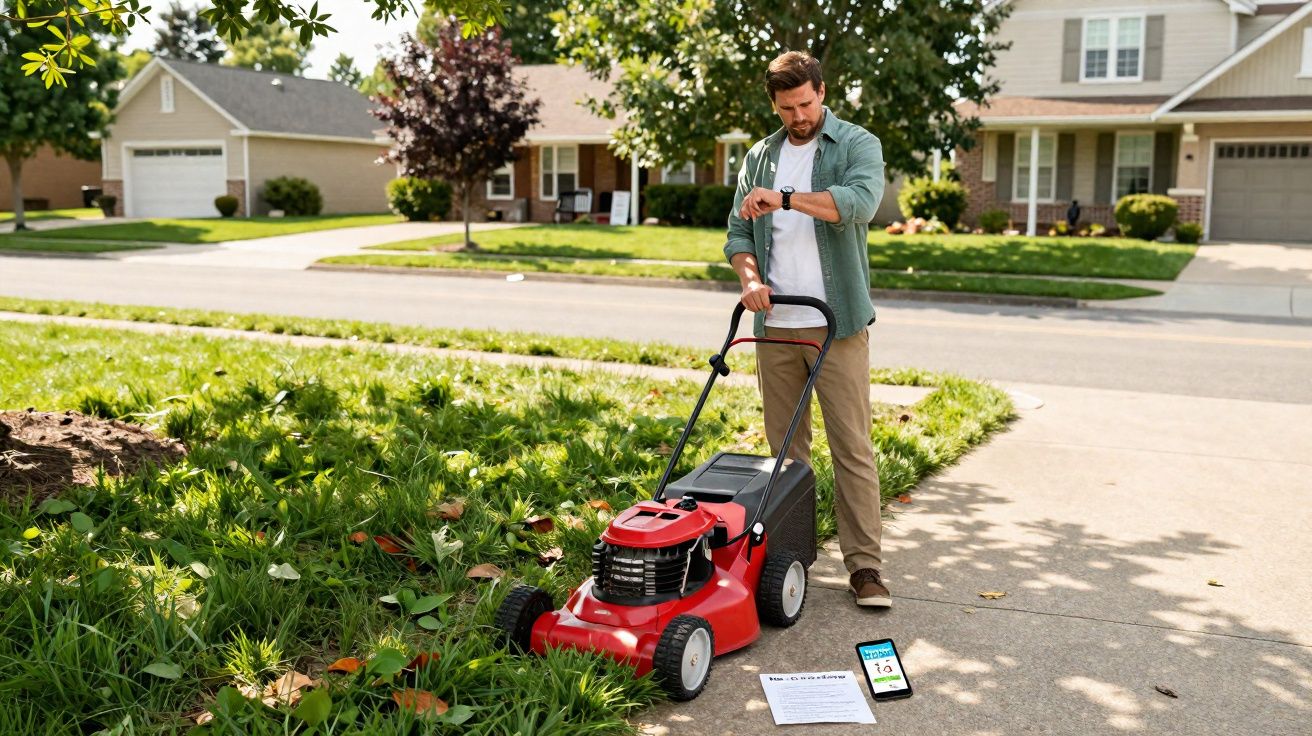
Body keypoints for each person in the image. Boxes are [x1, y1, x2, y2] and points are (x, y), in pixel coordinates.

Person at [723, 50, 889, 607]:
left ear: (822, 91)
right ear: (773, 104)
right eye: (787, 107)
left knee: (852, 449)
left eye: (807, 102)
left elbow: (861, 204)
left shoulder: (857, 144)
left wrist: (788, 199)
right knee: (787, 457)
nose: (799, 115)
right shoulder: (759, 157)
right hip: (775, 328)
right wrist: (749, 280)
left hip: (835, 324)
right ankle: (789, 564)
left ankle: (865, 568)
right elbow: (738, 236)